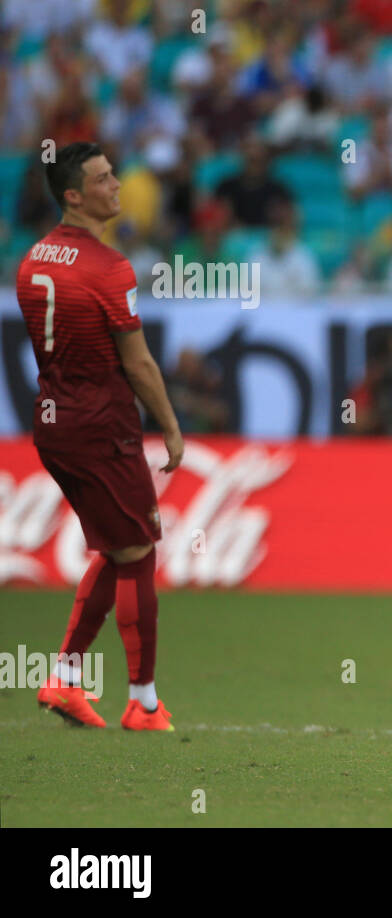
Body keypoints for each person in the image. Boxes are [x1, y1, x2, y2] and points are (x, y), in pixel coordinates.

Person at [16, 142, 185, 730]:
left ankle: (63, 681)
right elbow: (138, 365)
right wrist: (170, 426)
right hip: (102, 429)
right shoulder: (111, 268)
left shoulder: (32, 259)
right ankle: (143, 702)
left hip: (53, 424)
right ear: (73, 194)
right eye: (104, 178)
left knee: (116, 546)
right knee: (138, 550)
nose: (117, 184)